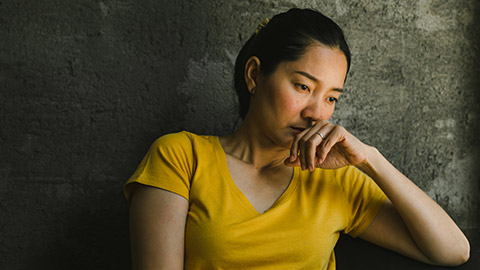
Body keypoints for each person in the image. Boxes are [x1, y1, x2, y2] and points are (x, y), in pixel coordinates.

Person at [124, 8, 470, 270]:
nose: (317, 113)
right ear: (255, 74)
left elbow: (454, 251)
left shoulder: (336, 179)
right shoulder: (181, 156)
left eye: (332, 98)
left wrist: (370, 160)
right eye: (303, 86)